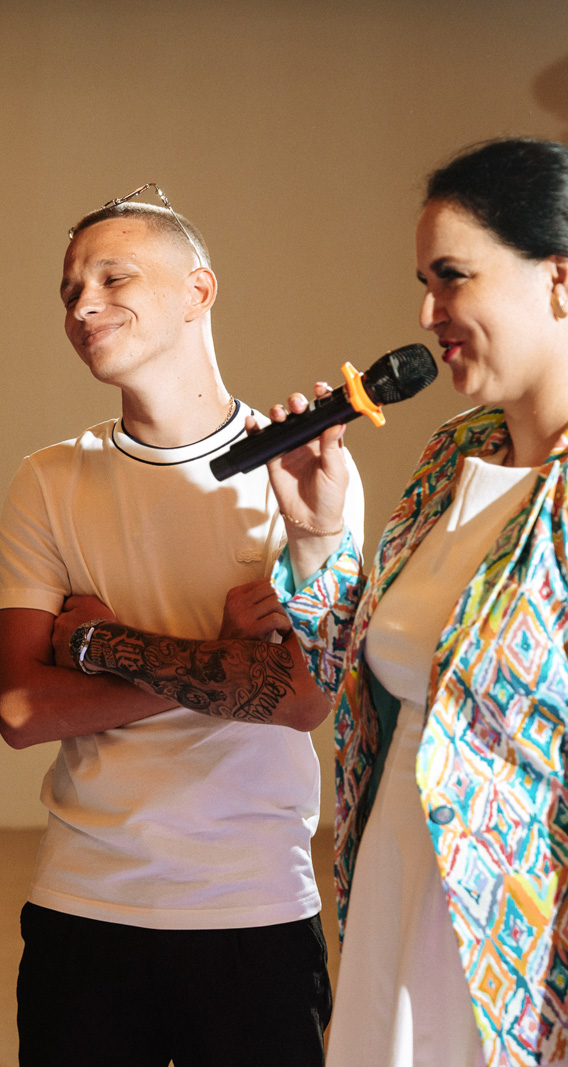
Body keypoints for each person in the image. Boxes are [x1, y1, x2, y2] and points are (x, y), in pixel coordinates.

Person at [0, 188, 362, 1067]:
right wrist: (225, 665)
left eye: (112, 278)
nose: (82, 305)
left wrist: (102, 646)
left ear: (199, 290)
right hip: (83, 904)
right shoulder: (49, 479)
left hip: (254, 910)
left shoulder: (304, 471)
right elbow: (21, 709)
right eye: (70, 289)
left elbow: (302, 698)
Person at [271, 137, 568, 1067]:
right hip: (398, 880)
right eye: (423, 283)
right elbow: (361, 678)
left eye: (453, 278)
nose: (427, 314)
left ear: (560, 279)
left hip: (522, 934)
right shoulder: (454, 454)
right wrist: (318, 537)